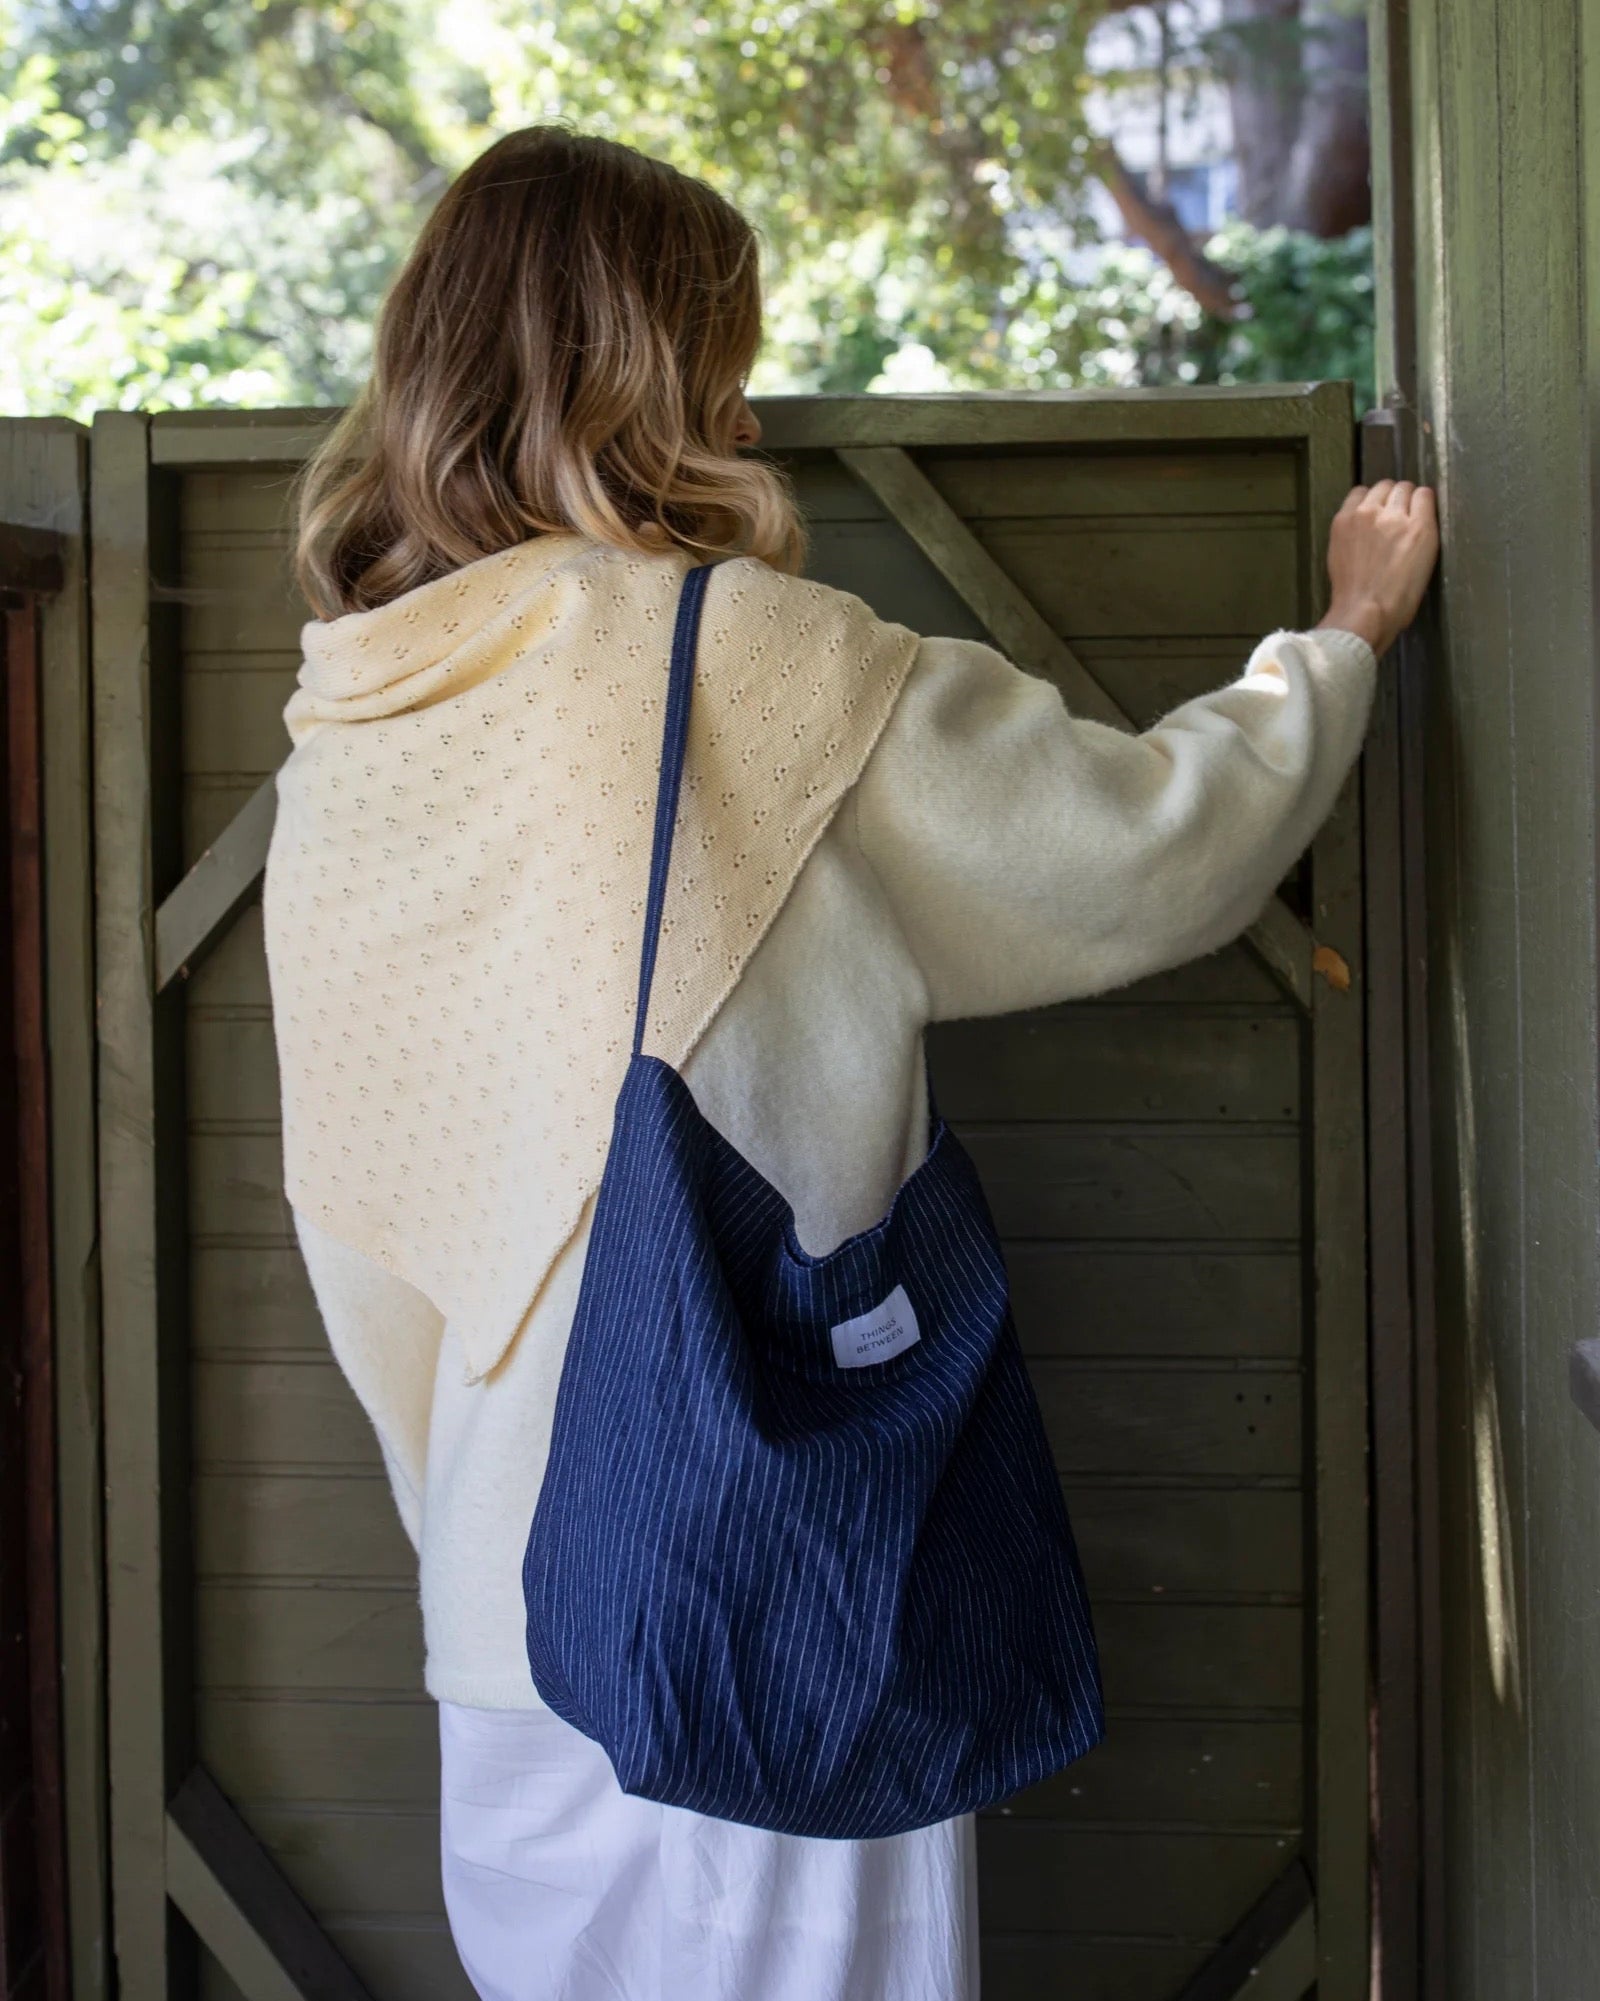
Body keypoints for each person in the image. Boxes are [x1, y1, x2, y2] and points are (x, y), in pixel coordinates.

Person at [263, 124, 1438, 2001]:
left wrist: (487, 1538)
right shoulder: (752, 667)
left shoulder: (347, 740)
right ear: (663, 367)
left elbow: (364, 1251)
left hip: (505, 1645)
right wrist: (1345, 640)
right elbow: (1146, 845)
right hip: (777, 1597)